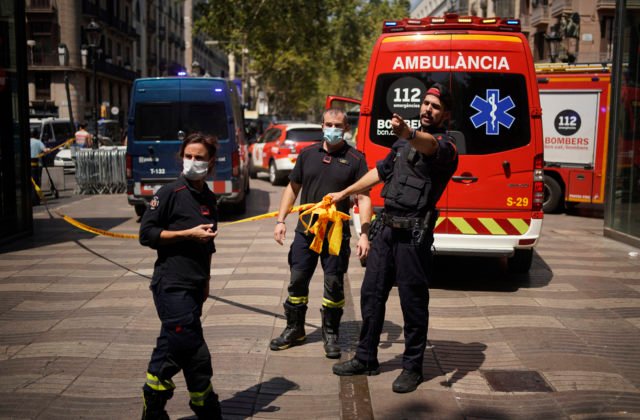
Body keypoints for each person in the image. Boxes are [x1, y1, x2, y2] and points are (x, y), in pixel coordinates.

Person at [329, 83, 459, 393]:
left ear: (445, 114)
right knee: (371, 295)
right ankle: (365, 357)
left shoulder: (446, 146)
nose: (428, 109)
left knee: (413, 302)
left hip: (413, 235)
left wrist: (409, 133)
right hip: (385, 230)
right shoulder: (402, 146)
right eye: (426, 103)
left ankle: (412, 367)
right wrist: (346, 192)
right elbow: (379, 172)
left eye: (435, 107)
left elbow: (428, 146)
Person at [270, 108, 372, 359]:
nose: (333, 129)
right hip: (306, 232)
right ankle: (295, 329)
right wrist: (281, 220)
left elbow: (364, 197)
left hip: (336, 234)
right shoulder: (307, 155)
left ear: (346, 129)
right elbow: (292, 188)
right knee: (297, 281)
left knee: (334, 284)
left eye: (338, 125)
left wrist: (365, 234)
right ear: (322, 125)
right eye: (328, 124)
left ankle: (331, 333)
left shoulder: (356, 159)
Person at [138, 132, 222, 419]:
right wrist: (187, 233)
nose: (193, 162)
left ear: (210, 162)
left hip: (196, 285)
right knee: (194, 349)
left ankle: (154, 407)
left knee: (172, 344)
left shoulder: (209, 197)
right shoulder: (169, 193)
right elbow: (146, 235)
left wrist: (207, 280)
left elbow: (208, 242)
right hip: (171, 284)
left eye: (199, 157)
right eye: (189, 156)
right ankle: (205, 404)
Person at [30, 128, 49, 205]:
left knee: (31, 183)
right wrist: (48, 150)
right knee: (36, 183)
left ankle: (31, 199)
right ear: (37, 134)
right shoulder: (38, 142)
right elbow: (45, 150)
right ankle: (36, 200)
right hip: (35, 166)